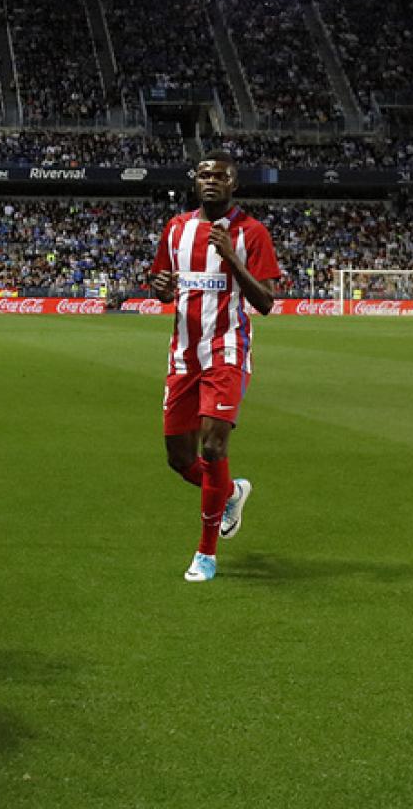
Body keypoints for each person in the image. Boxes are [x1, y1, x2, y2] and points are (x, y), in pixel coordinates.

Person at [146, 150, 279, 583]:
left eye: (220, 176)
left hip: (227, 350)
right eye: (204, 174)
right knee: (178, 458)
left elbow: (266, 302)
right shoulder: (176, 228)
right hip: (183, 354)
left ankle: (205, 554)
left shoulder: (252, 232)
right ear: (195, 181)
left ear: (233, 184)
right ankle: (231, 491)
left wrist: (232, 259)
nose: (211, 181)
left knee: (213, 447)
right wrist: (160, 288)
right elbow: (165, 287)